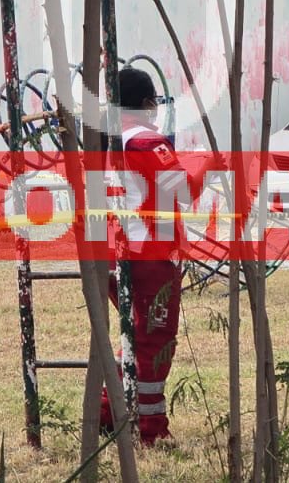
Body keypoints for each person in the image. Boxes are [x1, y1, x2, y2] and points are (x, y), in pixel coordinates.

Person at [99, 66, 182, 445]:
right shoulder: (148, 142)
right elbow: (180, 188)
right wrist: (212, 167)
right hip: (149, 258)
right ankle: (150, 429)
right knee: (154, 342)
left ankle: (107, 410)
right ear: (148, 103)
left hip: (114, 254)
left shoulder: (106, 142)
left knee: (134, 335)